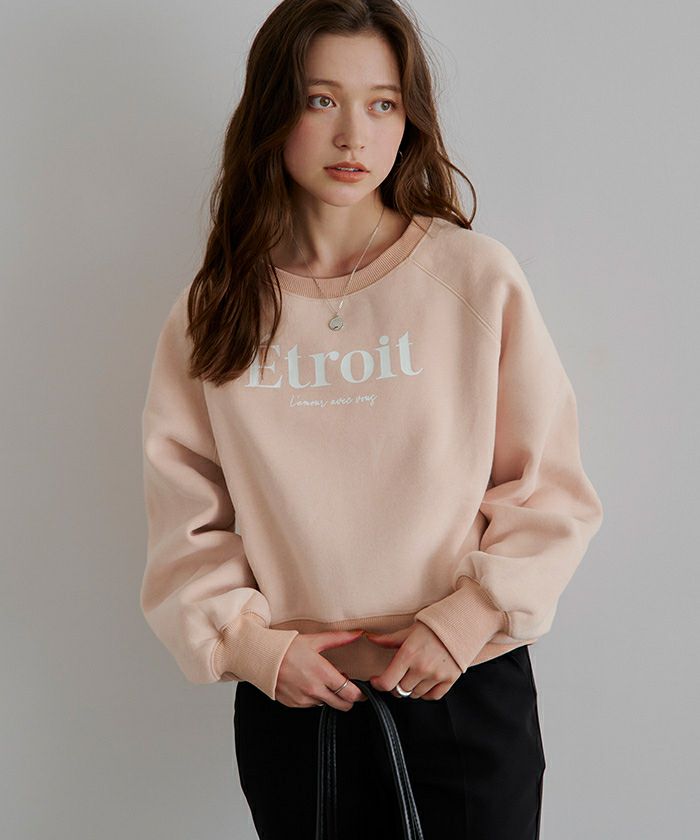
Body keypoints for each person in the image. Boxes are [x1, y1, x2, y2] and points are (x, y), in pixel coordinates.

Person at [139, 1, 604, 837]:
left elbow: (549, 491)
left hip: (461, 690)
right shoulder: (215, 310)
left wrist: (465, 619)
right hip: (294, 705)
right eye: (321, 100)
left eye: (382, 103)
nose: (353, 135)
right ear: (273, 110)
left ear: (408, 120)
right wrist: (251, 646)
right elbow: (187, 522)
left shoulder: (474, 278)